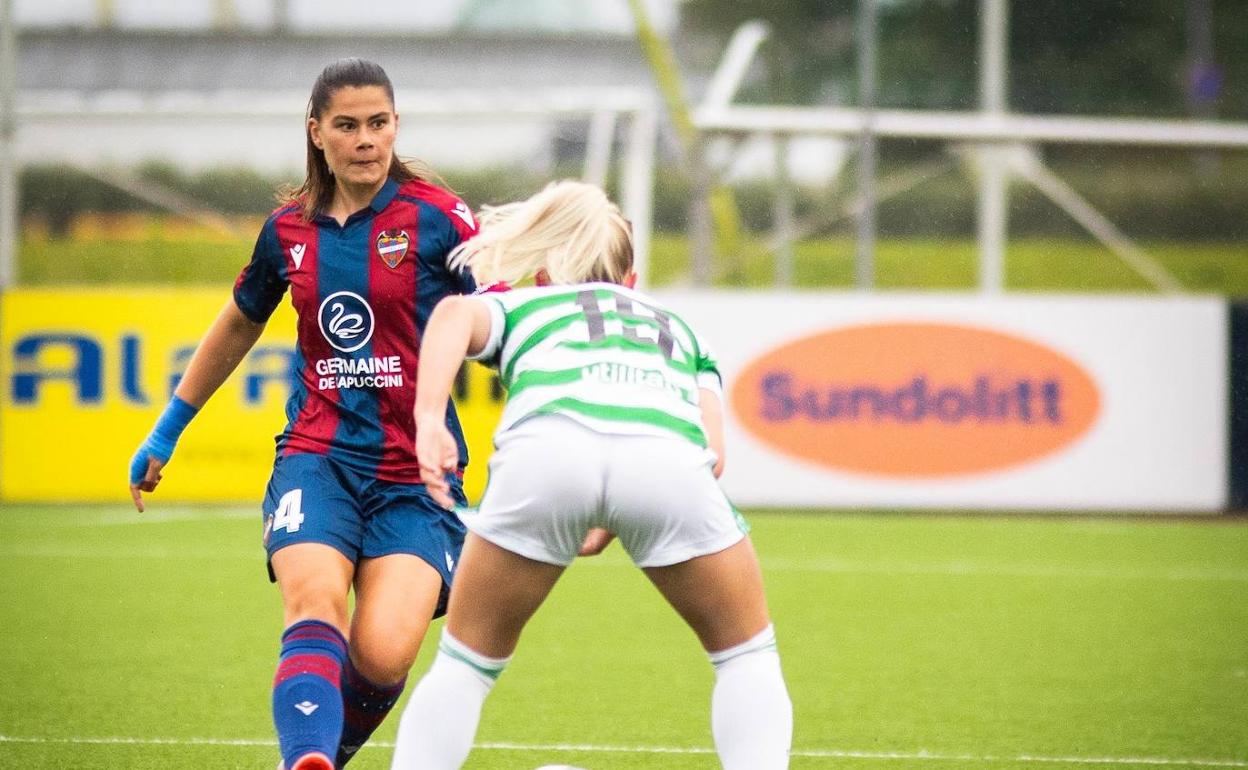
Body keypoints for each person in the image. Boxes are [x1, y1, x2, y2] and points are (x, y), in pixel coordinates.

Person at [127, 58, 479, 770]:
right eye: (347, 126)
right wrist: (168, 428)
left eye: (378, 124)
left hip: (418, 478)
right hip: (319, 459)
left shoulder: (441, 219)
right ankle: (304, 762)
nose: (365, 140)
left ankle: (320, 755)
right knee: (315, 602)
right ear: (316, 133)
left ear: (395, 126)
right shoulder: (287, 231)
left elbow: (503, 312)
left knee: (382, 656)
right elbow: (237, 323)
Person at [390, 180, 793, 769]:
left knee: (465, 664)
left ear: (546, 278)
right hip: (666, 463)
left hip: (545, 453)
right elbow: (713, 451)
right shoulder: (680, 332)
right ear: (632, 281)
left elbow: (452, 314)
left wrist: (429, 419)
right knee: (746, 656)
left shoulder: (527, 305)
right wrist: (615, 506)